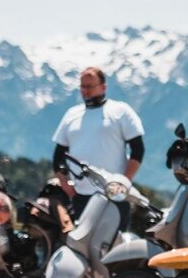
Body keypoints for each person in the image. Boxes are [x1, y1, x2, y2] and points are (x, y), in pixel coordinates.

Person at [50, 66, 145, 231]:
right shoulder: (71, 114)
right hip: (81, 196)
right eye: (82, 87)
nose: (85, 91)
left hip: (114, 195)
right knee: (84, 244)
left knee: (116, 244)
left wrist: (123, 184)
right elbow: (58, 155)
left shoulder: (120, 111)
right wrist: (66, 185)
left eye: (89, 86)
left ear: (103, 87)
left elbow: (138, 150)